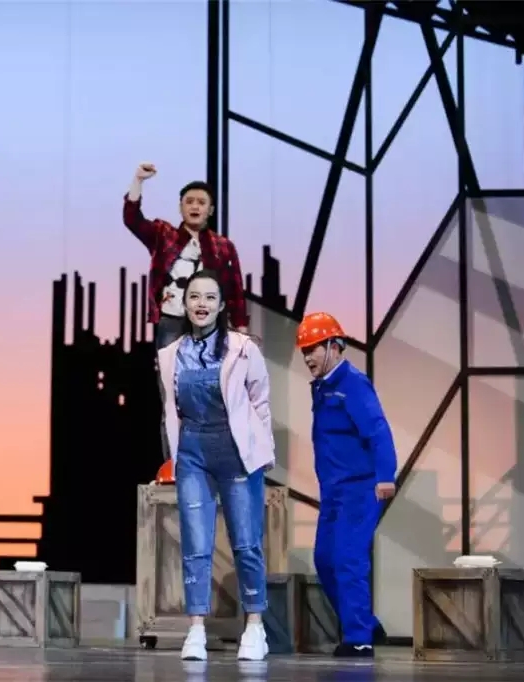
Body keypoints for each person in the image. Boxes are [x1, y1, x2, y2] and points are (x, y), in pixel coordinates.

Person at [156, 270, 274, 661]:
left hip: (236, 451)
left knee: (246, 541)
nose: (202, 304)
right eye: (195, 297)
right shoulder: (170, 355)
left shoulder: (243, 349)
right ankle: (196, 629)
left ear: (222, 305)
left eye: (210, 297)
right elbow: (170, 410)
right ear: (184, 304)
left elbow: (260, 402)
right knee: (195, 543)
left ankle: (255, 626)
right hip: (193, 453)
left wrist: (261, 452)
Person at [124, 164, 250, 462]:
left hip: (210, 329)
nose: (195, 206)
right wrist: (138, 181)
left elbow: (235, 290)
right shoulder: (163, 234)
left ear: (210, 210)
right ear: (181, 207)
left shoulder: (222, 247)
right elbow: (133, 220)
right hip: (172, 322)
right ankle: (174, 464)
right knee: (171, 395)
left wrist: (241, 331)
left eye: (201, 202)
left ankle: (210, 463)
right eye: (189, 201)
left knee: (211, 395)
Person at [297, 312, 395, 658]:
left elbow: (378, 430)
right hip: (334, 491)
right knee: (324, 559)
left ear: (334, 346)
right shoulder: (323, 386)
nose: (307, 358)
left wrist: (386, 475)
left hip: (360, 488)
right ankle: (366, 623)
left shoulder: (353, 383)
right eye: (304, 351)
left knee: (348, 558)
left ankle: (359, 638)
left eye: (312, 349)